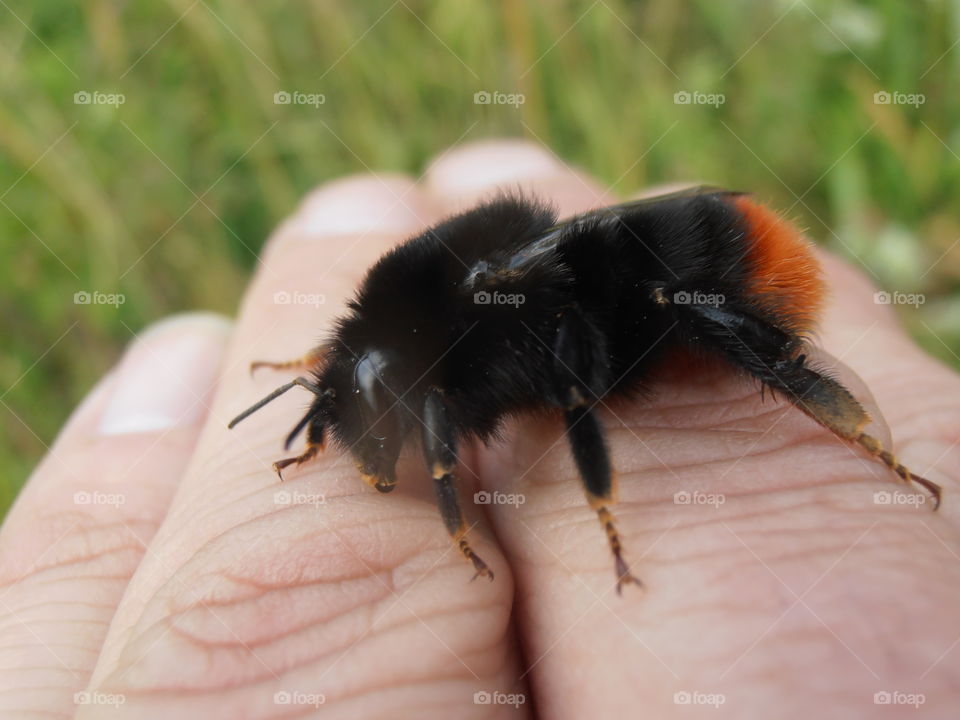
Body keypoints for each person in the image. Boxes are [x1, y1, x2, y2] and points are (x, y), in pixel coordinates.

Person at [2, 140, 958, 719]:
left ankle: (851, 438)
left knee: (674, 310)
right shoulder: (424, 324)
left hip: (726, 261)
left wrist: (554, 526)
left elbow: (532, 383)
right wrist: (322, 383)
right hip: (670, 243)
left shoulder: (470, 325)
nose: (393, 433)